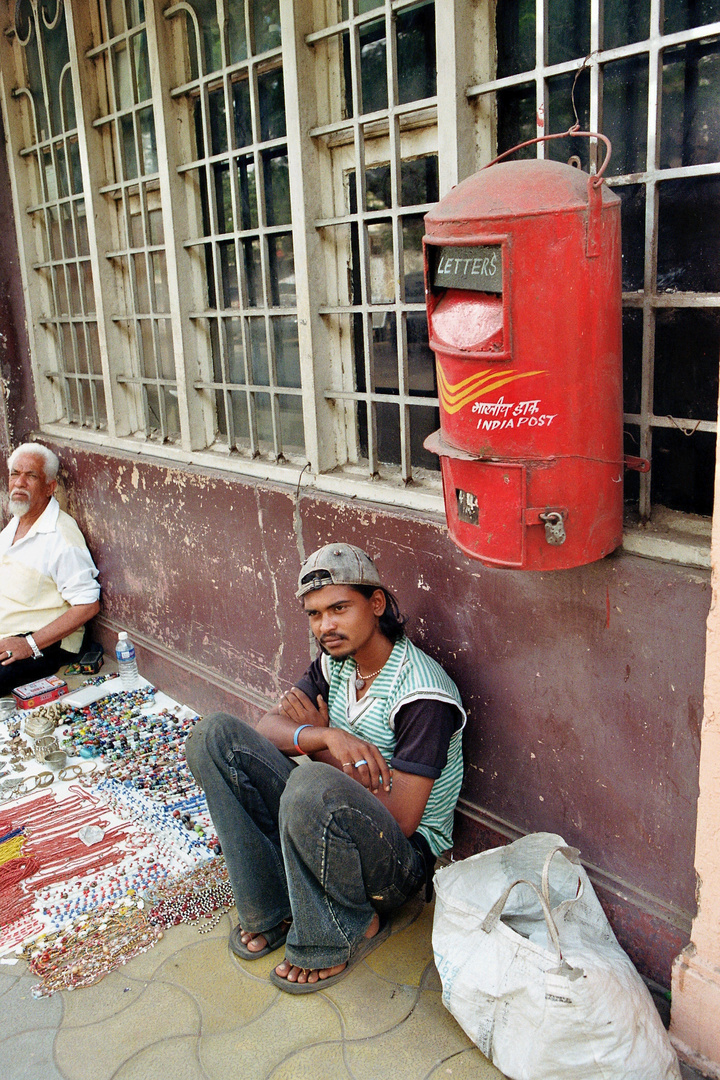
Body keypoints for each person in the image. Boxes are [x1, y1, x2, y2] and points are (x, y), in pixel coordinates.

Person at [186, 542, 465, 994]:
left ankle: (335, 931)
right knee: (214, 736)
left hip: (398, 862)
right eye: (315, 614)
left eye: (339, 608)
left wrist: (318, 756)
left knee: (311, 782)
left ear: (376, 605)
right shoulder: (336, 664)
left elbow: (401, 819)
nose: (326, 626)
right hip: (338, 818)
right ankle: (269, 908)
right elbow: (269, 726)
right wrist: (325, 735)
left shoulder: (422, 695)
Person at [0, 443, 100, 695]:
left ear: (49, 487)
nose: (19, 482)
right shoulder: (15, 523)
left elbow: (88, 604)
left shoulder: (61, 537)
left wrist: (29, 644)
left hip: (41, 642)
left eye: (31, 476)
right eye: (15, 473)